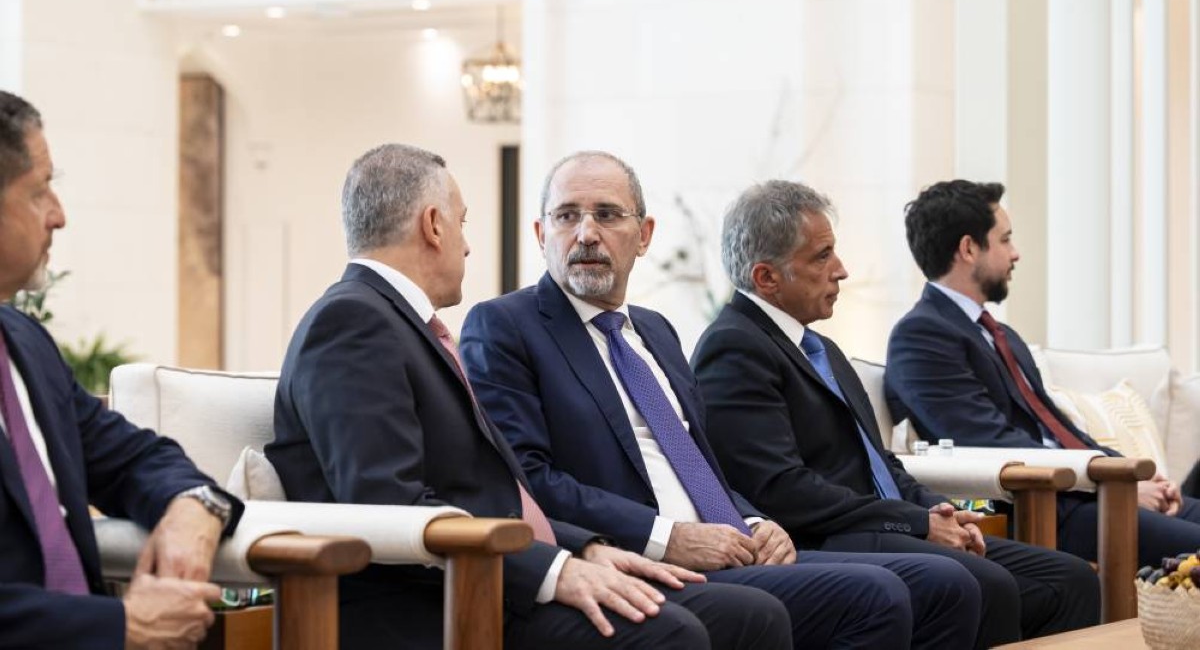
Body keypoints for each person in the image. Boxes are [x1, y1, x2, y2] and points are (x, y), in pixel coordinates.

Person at [265, 144, 793, 650]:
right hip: (434, 604)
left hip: (493, 570)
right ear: (432, 224)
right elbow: (388, 504)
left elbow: (483, 492)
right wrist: (554, 567)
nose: (467, 245)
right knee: (675, 631)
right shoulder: (353, 321)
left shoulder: (394, 323)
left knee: (750, 614)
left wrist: (583, 546)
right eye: (463, 222)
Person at [460, 150, 983, 650]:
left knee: (937, 583)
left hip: (730, 543)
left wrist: (754, 521)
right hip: (636, 556)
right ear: (539, 233)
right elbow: (530, 478)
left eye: (607, 215)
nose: (586, 233)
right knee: (875, 596)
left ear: (643, 236)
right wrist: (668, 537)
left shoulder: (656, 331)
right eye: (567, 215)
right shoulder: (507, 325)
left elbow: (701, 463)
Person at [691, 179, 1100, 648]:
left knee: (1070, 578)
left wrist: (936, 509)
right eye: (822, 256)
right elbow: (782, 490)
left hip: (878, 524)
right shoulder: (735, 347)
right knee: (982, 582)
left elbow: (881, 463)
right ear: (766, 277)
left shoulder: (820, 347)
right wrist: (917, 523)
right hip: (827, 538)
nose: (841, 270)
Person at [0, 91, 243, 648]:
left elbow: (135, 457)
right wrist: (121, 625)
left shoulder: (25, 345)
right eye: (39, 191)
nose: (59, 215)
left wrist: (193, 505)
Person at [885, 179, 1200, 567]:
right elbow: (989, 442)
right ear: (969, 249)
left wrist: (1127, 476)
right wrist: (1109, 486)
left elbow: (1055, 424)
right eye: (1005, 240)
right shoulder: (920, 336)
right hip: (1050, 506)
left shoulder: (1001, 335)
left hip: (1087, 492)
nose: (1015, 254)